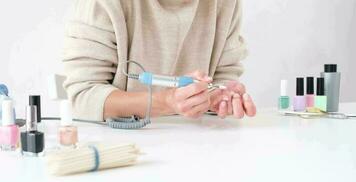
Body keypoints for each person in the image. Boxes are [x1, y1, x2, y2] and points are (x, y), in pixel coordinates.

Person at [63, 0, 256, 121]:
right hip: (116, 151)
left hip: (197, 149)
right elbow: (81, 97)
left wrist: (218, 97)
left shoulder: (226, 3)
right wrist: (166, 102)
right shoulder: (103, 4)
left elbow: (223, 77)